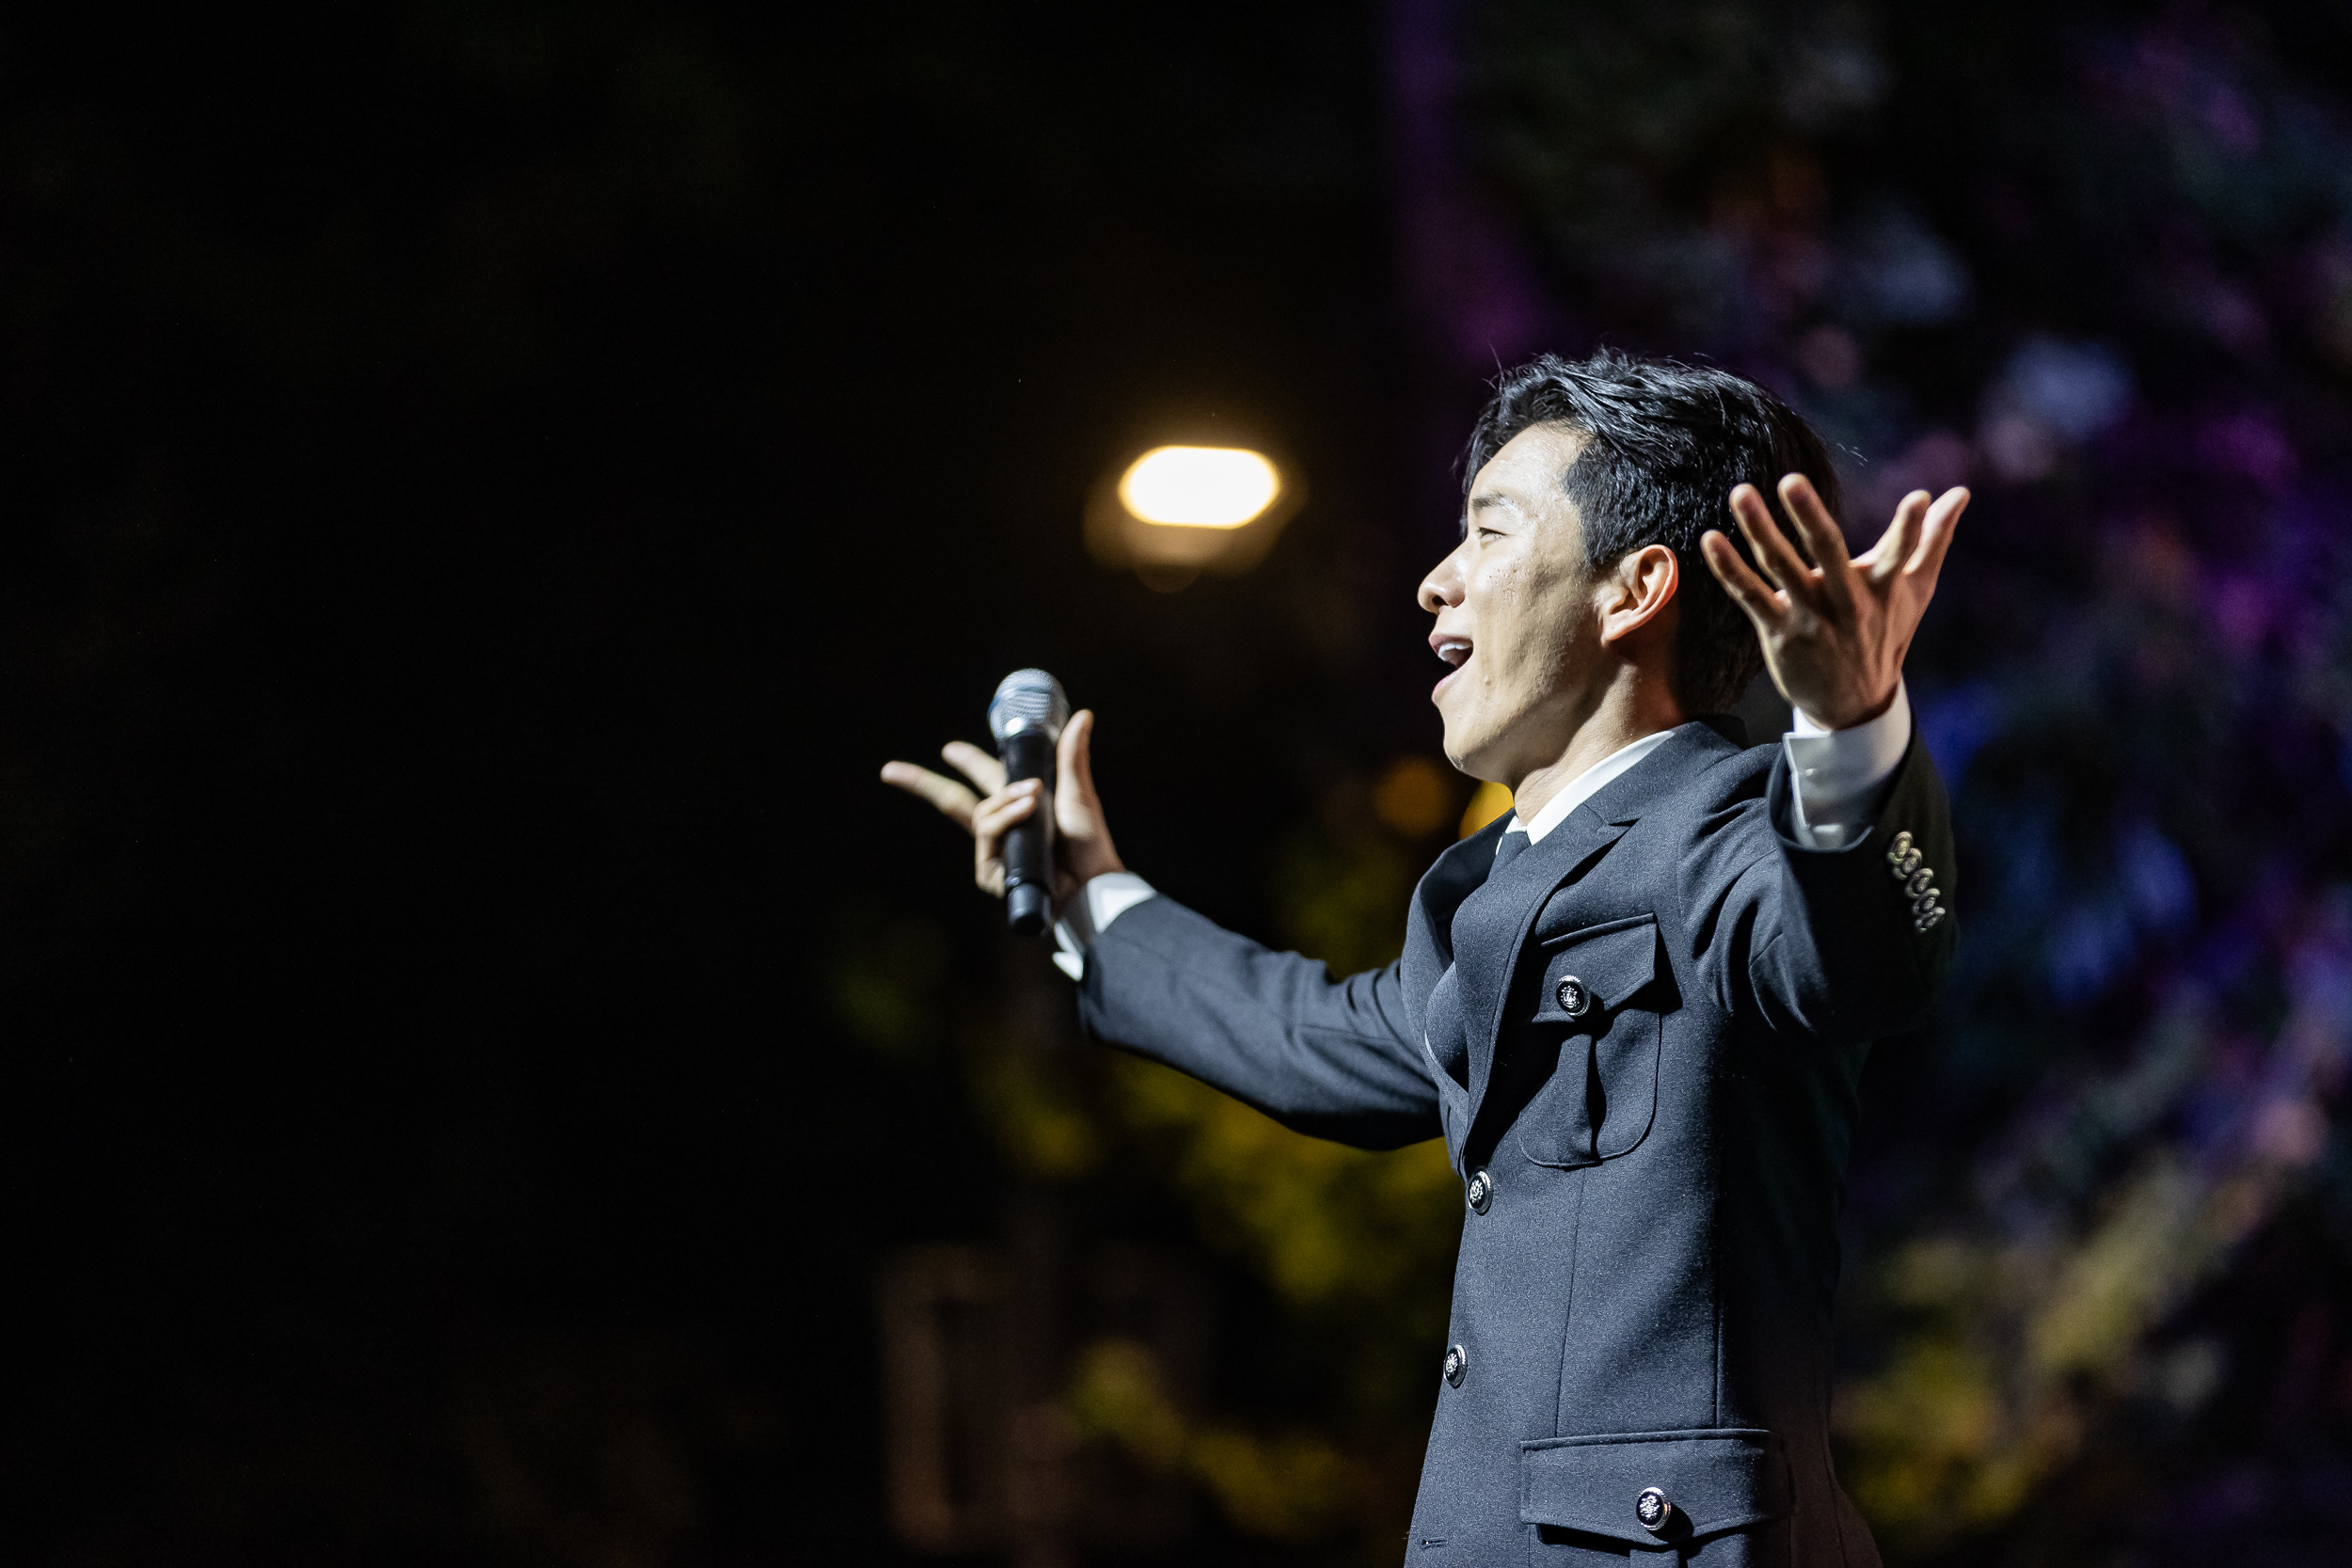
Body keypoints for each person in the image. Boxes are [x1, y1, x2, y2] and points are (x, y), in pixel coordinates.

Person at [883, 352, 1966, 1567]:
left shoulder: (1727, 831)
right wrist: (1091, 900)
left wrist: (1853, 728)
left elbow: (1864, 957)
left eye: (1487, 535)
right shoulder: (1500, 884)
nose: (1433, 584)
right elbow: (1315, 1044)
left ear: (1635, 588)